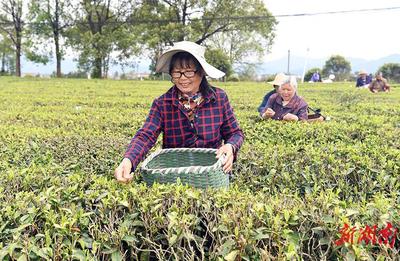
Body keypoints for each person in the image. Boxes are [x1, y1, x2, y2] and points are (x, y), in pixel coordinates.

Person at [114, 41, 244, 183]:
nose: (182, 78)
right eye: (177, 73)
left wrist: (230, 147)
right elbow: (146, 135)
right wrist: (128, 160)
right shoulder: (163, 103)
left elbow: (235, 133)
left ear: (201, 73)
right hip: (175, 177)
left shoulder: (219, 98)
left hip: (212, 174)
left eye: (188, 72)